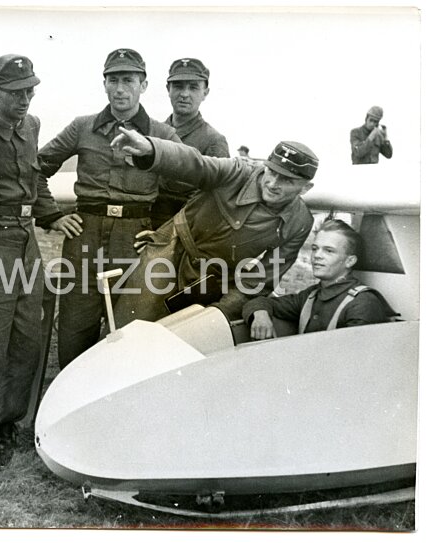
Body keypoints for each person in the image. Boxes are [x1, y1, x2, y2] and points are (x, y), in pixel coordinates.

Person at [0, 54, 81, 457]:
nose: (25, 99)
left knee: (29, 338)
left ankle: (4, 425)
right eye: (15, 92)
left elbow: (35, 178)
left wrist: (51, 215)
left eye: (30, 90)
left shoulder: (31, 125)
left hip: (26, 240)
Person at [37, 48, 181, 369]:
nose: (120, 89)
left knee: (129, 334)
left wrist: (161, 230)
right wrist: (52, 215)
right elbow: (36, 168)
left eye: (128, 80)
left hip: (135, 239)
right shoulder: (82, 127)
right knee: (75, 331)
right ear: (104, 84)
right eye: (113, 80)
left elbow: (186, 185)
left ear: (143, 85)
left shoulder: (163, 134)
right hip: (84, 236)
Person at [109, 129, 317, 327]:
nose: (272, 183)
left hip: (213, 280)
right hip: (171, 250)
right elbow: (195, 163)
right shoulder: (239, 171)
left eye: (287, 180)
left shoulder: (299, 223)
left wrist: (219, 312)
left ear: (306, 188)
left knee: (189, 337)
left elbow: (260, 280)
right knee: (130, 327)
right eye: (271, 171)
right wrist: (152, 149)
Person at [242, 219, 394, 338]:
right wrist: (260, 314)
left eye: (329, 251)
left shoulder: (363, 302)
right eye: (315, 248)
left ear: (350, 261)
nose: (317, 256)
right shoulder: (311, 296)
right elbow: (259, 301)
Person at [151, 57, 230, 229]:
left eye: (193, 87)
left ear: (205, 92)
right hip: (143, 228)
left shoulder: (213, 141)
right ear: (168, 89)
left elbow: (213, 202)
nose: (185, 94)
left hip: (183, 233)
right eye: (178, 86)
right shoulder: (154, 133)